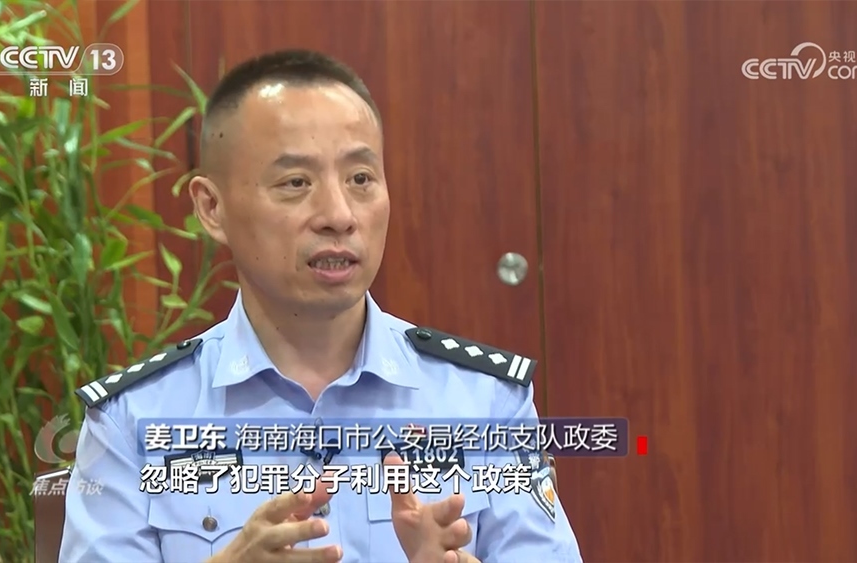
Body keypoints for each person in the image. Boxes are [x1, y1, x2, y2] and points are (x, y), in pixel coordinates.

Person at [59, 49, 582, 563]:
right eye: (296, 183)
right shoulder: (131, 420)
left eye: (360, 179)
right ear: (212, 208)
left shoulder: (486, 402)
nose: (339, 214)